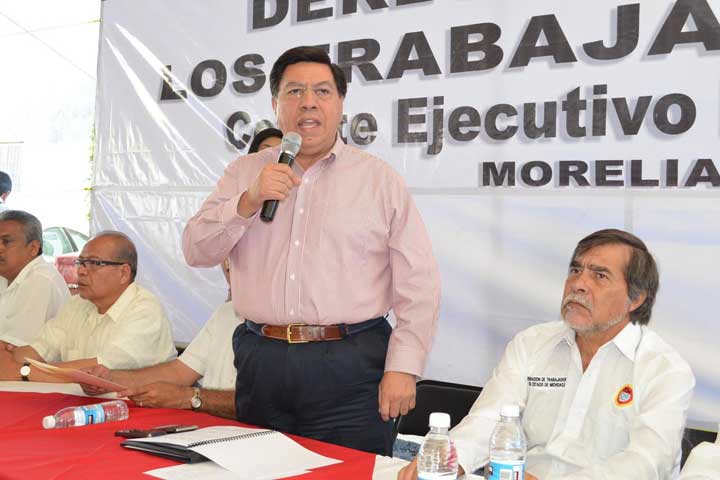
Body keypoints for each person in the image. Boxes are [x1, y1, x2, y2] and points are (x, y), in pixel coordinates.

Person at [183, 46, 441, 455]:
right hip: (261, 361)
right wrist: (247, 201)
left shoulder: (378, 180)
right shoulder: (244, 173)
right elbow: (196, 250)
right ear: (275, 104)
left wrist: (404, 368)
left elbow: (418, 283)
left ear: (340, 103)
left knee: (347, 472)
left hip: (351, 364)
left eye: (322, 91)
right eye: (294, 91)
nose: (308, 102)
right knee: (258, 469)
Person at [399, 229, 695, 480]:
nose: (578, 284)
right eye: (575, 270)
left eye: (600, 276)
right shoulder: (532, 343)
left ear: (636, 298)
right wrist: (450, 459)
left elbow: (646, 462)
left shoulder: (664, 369)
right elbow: (489, 418)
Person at [0, 231, 176, 381]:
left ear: (123, 272)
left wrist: (23, 372)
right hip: (82, 402)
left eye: (95, 263)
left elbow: (98, 371)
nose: (82, 271)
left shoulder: (145, 310)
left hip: (135, 406)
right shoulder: (76, 305)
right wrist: (11, 357)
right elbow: (37, 350)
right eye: (81, 262)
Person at [82, 262, 240, 418]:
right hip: (211, 428)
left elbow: (256, 403)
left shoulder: (144, 306)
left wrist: (190, 397)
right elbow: (179, 372)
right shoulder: (226, 313)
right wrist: (109, 380)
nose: (229, 265)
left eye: (95, 263)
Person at [0, 210, 70, 345]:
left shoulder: (41, 279)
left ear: (33, 248)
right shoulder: (5, 275)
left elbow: (12, 348)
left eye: (6, 241)